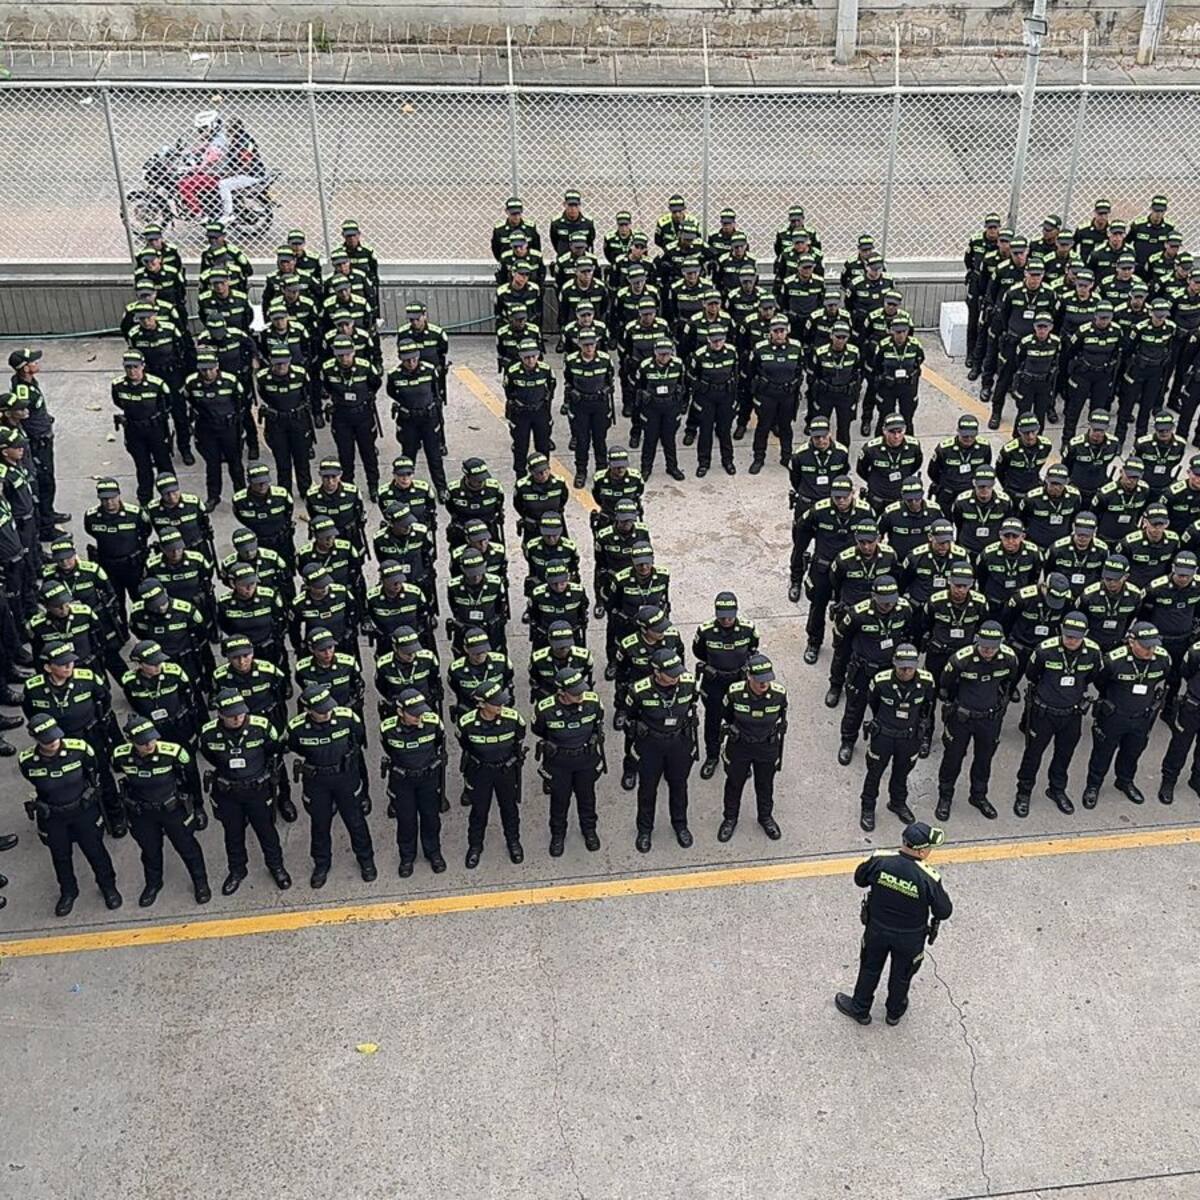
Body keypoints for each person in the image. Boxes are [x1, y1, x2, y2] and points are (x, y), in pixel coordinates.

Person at [835, 821, 953, 1027]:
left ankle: (860, 1009)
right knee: (902, 975)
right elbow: (944, 911)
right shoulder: (928, 877)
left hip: (877, 929)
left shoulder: (880, 860)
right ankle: (894, 1013)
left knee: (869, 968)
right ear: (922, 851)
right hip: (910, 937)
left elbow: (859, 879)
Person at [19, 713, 122, 917]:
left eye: (55, 737)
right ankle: (68, 891)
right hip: (53, 816)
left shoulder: (80, 749)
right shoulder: (28, 761)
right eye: (47, 740)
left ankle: (108, 886)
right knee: (60, 856)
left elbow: (94, 772)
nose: (54, 742)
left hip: (82, 810)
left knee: (96, 851)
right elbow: (34, 783)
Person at [198, 688, 291, 895]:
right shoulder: (208, 733)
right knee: (233, 834)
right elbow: (209, 756)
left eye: (241, 712)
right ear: (220, 713)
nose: (238, 718)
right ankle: (237, 870)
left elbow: (272, 750)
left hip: (257, 790)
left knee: (266, 831)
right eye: (231, 715)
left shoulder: (262, 727)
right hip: (228, 792)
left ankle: (276, 866)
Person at [112, 716, 210, 908]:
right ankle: (153, 884)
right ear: (131, 741)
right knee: (150, 851)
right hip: (142, 813)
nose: (149, 744)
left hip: (172, 810)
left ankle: (201, 882)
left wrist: (197, 806)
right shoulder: (121, 755)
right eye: (143, 742)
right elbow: (116, 771)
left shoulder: (173, 752)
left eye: (152, 738)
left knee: (187, 847)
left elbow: (190, 778)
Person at [287, 684, 375, 888]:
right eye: (320, 710)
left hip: (345, 777)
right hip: (317, 781)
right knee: (320, 824)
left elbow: (358, 737)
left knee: (355, 821)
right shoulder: (297, 728)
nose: (326, 713)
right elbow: (295, 747)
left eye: (328, 708)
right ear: (308, 710)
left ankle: (366, 859)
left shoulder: (346, 717)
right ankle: (321, 864)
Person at [1015, 612, 1103, 816]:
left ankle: (1056, 789)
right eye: (1068, 634)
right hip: (1044, 712)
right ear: (1060, 630)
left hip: (1072, 714)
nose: (1071, 640)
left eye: (1077, 636)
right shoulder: (1045, 650)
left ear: (1086, 634)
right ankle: (1024, 792)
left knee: (1064, 755)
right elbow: (1031, 674)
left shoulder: (1093, 652)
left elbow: (1092, 676)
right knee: (1033, 755)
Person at [936, 621, 1018, 820]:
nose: (988, 650)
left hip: (990, 719)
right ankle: (945, 796)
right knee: (953, 758)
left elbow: (1009, 682)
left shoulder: (1009, 658)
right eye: (984, 645)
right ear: (976, 641)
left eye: (993, 646)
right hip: (962, 717)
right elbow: (946, 686)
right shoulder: (960, 660)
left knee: (984, 759)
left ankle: (979, 796)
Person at [1083, 621, 1171, 808]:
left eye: (1154, 645)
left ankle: (1125, 781)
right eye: (1146, 646)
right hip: (1114, 716)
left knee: (1132, 752)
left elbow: (1163, 677)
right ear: (1132, 642)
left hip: (1142, 716)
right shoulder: (1113, 660)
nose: (1151, 651)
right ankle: (1093, 785)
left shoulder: (1162, 659)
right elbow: (1100, 682)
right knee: (1102, 753)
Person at [627, 648, 698, 852]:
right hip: (651, 745)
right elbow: (630, 716)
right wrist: (636, 727)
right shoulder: (639, 690)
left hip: (678, 743)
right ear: (656, 672)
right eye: (671, 673)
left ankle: (680, 825)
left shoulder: (688, 684)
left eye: (677, 672)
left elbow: (692, 703)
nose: (676, 676)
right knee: (647, 789)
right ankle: (644, 830)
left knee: (679, 786)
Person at [858, 644, 935, 832]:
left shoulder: (926, 681)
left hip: (909, 737)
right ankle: (868, 808)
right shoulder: (880, 681)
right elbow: (873, 703)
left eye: (910, 667)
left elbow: (928, 705)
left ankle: (897, 802)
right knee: (874, 773)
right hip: (884, 735)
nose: (906, 671)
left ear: (916, 664)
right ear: (894, 663)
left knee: (902, 773)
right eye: (902, 666)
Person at [533, 666, 605, 856]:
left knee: (587, 798)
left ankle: (589, 830)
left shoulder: (592, 702)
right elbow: (539, 730)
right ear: (561, 692)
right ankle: (558, 835)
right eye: (575, 693)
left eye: (581, 690)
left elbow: (598, 723)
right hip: (559, 763)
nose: (581, 695)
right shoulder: (545, 709)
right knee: (559, 800)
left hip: (585, 759)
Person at [456, 679, 527, 868]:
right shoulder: (466, 723)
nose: (501, 706)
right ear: (481, 704)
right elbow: (465, 745)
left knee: (509, 809)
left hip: (506, 770)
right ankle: (475, 847)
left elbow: (518, 740)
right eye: (496, 703)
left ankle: (514, 842)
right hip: (480, 772)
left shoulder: (514, 719)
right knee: (479, 811)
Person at [718, 653, 786, 842]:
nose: (764, 684)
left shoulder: (779, 694)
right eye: (759, 680)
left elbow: (781, 716)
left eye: (767, 679)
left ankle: (765, 817)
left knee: (765, 784)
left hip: (767, 746)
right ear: (749, 676)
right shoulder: (735, 692)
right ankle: (730, 818)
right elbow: (727, 715)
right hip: (740, 745)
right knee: (734, 783)